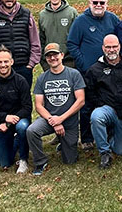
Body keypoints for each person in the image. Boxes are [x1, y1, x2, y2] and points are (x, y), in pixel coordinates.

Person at [67, 0, 119, 150]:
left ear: (106, 4)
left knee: (108, 101)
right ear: (89, 3)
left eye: (102, 3)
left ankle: (110, 134)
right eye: (95, 2)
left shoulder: (112, 19)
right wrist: (83, 63)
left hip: (109, 70)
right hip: (88, 72)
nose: (98, 5)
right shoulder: (80, 21)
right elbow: (72, 44)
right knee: (87, 104)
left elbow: (119, 40)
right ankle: (87, 138)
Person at [27, 43, 86, 176]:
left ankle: (63, 142)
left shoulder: (74, 74)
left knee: (70, 160)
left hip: (69, 121)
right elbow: (38, 105)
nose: (52, 58)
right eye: (49, 56)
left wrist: (61, 119)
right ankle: (40, 161)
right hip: (50, 120)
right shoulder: (42, 78)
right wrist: (53, 120)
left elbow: (80, 100)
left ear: (62, 55)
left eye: (55, 54)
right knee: (31, 131)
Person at [85, 35, 122, 169]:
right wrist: (101, 105)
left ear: (119, 46)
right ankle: (104, 152)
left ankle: (110, 136)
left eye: (114, 46)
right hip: (106, 110)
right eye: (108, 47)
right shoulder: (95, 69)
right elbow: (90, 92)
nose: (111, 50)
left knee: (120, 151)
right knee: (97, 117)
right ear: (103, 48)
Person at [0, 45, 32, 173]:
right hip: (0, 125)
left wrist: (8, 122)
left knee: (22, 127)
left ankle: (23, 159)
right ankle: (16, 141)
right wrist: (3, 118)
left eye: (6, 61)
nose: (3, 65)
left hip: (19, 121)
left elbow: (27, 107)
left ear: (12, 62)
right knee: (5, 162)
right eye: (0, 62)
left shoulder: (21, 81)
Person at [38, 0, 78, 71]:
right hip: (51, 59)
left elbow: (78, 36)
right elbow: (41, 38)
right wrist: (43, 60)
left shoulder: (71, 13)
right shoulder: (42, 15)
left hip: (69, 60)